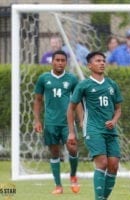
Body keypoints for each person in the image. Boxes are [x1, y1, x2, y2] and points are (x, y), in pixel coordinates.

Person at [67, 51, 123, 200]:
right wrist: (72, 132)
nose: (102, 63)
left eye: (103, 60)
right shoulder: (84, 85)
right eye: (98, 61)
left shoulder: (112, 84)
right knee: (102, 163)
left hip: (111, 130)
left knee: (114, 165)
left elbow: (118, 109)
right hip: (93, 129)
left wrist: (114, 120)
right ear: (89, 65)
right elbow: (70, 108)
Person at [34, 50, 81, 194]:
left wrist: (81, 119)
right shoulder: (44, 78)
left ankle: (73, 175)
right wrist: (37, 120)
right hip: (51, 123)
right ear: (52, 61)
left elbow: (77, 101)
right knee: (54, 153)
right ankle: (58, 186)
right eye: (57, 60)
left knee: (72, 148)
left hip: (68, 123)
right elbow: (37, 100)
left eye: (63, 60)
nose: (60, 63)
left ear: (66, 62)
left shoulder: (72, 79)